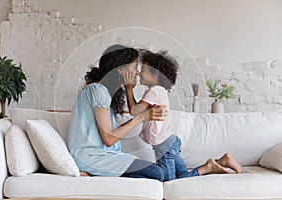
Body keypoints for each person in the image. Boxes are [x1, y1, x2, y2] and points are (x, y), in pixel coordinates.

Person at [124, 49, 244, 181]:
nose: (139, 73)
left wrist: (128, 89)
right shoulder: (159, 91)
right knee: (182, 176)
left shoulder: (153, 92)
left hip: (164, 146)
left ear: (155, 74)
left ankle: (208, 167)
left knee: (170, 181)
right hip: (170, 142)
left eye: (143, 69)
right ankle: (220, 162)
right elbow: (139, 112)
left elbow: (134, 111)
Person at [67, 44, 167, 181]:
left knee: (157, 173)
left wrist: (129, 90)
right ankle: (95, 172)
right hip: (91, 157)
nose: (137, 72)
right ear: (120, 68)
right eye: (135, 66)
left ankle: (96, 174)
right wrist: (141, 117)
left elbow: (111, 132)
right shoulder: (98, 90)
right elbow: (108, 138)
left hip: (104, 156)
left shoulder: (103, 92)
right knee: (156, 173)